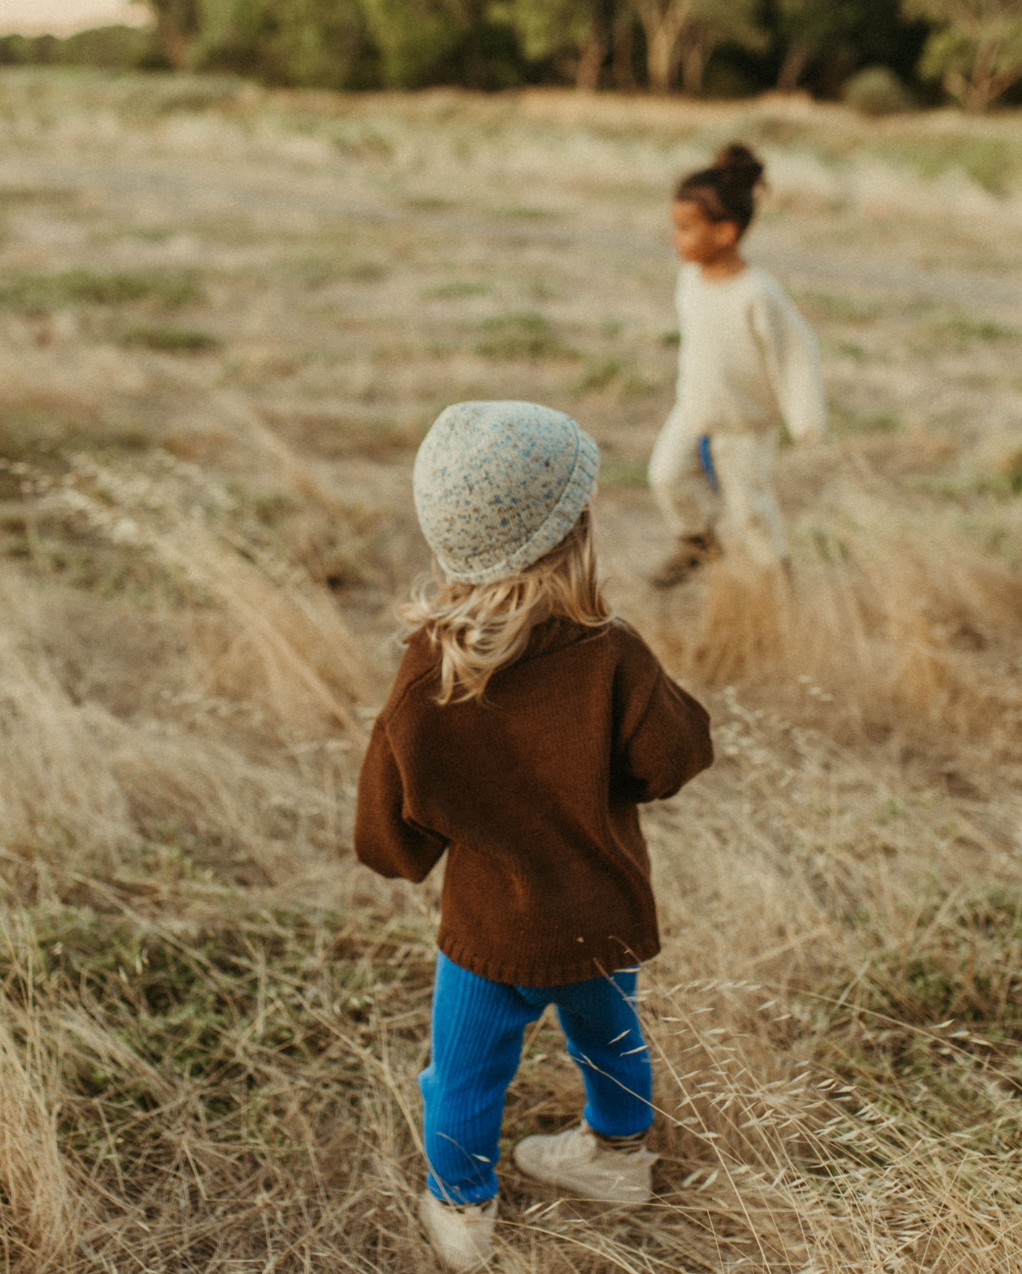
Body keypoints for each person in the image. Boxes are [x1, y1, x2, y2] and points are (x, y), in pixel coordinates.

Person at [354, 400, 713, 1270]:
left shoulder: (428, 677)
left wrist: (414, 849)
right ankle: (620, 1157)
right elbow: (675, 757)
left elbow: (388, 835)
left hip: (488, 935)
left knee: (464, 1077)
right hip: (601, 913)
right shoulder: (613, 653)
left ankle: (463, 1212)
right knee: (611, 1038)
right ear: (576, 533)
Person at [648, 143, 827, 588]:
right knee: (665, 476)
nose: (675, 237)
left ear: (725, 233)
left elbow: (795, 354)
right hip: (693, 409)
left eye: (686, 228)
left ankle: (779, 583)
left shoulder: (758, 294)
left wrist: (806, 422)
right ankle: (698, 543)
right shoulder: (689, 280)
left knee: (752, 514)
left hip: (744, 424)